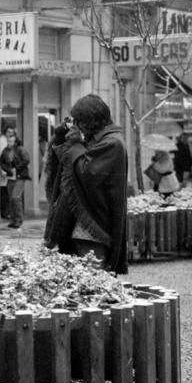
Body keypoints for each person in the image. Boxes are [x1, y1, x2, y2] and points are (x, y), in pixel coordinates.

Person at [54, 94, 128, 275]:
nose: (77, 126)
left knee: (93, 278)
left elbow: (85, 173)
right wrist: (61, 137)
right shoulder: (100, 140)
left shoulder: (112, 143)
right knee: (81, 279)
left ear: (91, 121)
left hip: (94, 226)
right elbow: (68, 163)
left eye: (80, 122)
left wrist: (75, 143)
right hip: (84, 224)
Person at [43, 119, 71, 248]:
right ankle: (52, 239)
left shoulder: (55, 144)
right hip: (61, 182)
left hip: (57, 182)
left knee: (55, 209)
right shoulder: (62, 145)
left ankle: (51, 239)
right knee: (58, 209)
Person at [0, 128, 31, 229]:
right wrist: (8, 170)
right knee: (11, 199)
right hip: (10, 177)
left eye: (11, 140)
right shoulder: (5, 151)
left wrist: (16, 168)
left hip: (20, 176)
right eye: (8, 140)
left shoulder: (20, 149)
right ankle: (12, 220)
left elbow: (26, 160)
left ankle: (18, 220)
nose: (9, 142)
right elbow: (2, 162)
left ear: (15, 140)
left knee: (15, 198)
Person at [0, 126, 15, 219]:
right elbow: (1, 157)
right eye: (8, 131)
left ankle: (6, 211)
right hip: (4, 171)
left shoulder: (8, 141)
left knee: (6, 192)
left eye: (11, 132)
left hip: (8, 170)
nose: (10, 133)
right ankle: (4, 212)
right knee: (4, 193)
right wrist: (2, 170)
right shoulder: (2, 141)